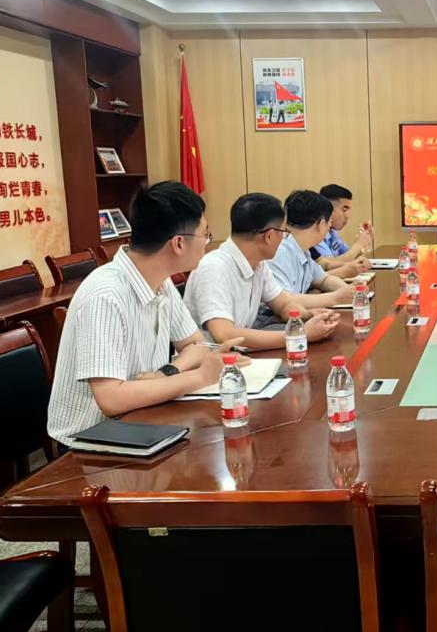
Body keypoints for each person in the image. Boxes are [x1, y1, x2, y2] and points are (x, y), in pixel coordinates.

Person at [47, 182, 242, 446]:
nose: (207, 244)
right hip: (91, 442)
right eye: (205, 235)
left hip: (145, 421)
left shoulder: (161, 281)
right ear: (179, 244)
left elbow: (196, 345)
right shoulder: (105, 295)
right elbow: (111, 399)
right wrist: (199, 376)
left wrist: (167, 372)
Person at [183, 193, 339, 351]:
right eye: (284, 232)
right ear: (269, 236)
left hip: (240, 355)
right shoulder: (214, 268)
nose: (284, 238)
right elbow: (224, 334)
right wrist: (301, 334)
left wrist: (308, 315)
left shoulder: (259, 264)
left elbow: (283, 304)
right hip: (210, 360)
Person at [266, 190, 357, 309]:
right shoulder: (279, 252)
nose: (329, 227)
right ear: (321, 224)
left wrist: (348, 290)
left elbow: (323, 279)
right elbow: (285, 300)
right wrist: (336, 297)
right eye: (329, 223)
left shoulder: (302, 249)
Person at [312, 183, 375, 278]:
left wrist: (362, 244)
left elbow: (347, 259)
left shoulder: (332, 233)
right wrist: (358, 245)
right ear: (327, 208)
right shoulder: (315, 233)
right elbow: (328, 266)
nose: (347, 216)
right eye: (344, 210)